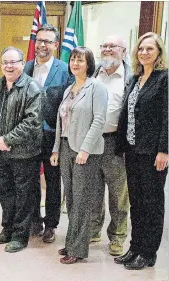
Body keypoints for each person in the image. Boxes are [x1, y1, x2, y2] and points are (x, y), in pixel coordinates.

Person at [0, 47, 43, 253]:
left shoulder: (32, 87)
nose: (8, 66)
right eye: (5, 62)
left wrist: (7, 139)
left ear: (22, 64)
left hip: (25, 152)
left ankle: (20, 235)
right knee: (5, 191)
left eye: (13, 62)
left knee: (24, 195)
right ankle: (7, 229)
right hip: (1, 151)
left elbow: (32, 121)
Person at [114, 32, 168, 270]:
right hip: (133, 151)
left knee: (152, 202)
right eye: (141, 49)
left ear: (159, 52)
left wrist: (164, 150)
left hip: (153, 153)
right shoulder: (136, 78)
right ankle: (135, 247)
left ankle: (148, 252)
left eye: (150, 49)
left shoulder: (164, 78)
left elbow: (167, 117)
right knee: (136, 202)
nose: (144, 52)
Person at [50, 47, 108, 264]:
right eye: (73, 59)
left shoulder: (96, 88)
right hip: (66, 147)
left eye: (80, 60)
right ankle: (72, 241)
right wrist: (56, 148)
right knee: (72, 199)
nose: (75, 63)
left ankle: (78, 248)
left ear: (89, 63)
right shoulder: (69, 89)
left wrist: (85, 149)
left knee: (82, 200)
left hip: (85, 151)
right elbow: (60, 122)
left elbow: (99, 120)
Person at [23, 23, 72, 242]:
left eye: (47, 41)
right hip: (29, 135)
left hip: (53, 135)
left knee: (53, 181)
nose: (42, 44)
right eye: (39, 40)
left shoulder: (65, 69)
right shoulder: (26, 67)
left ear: (55, 44)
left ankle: (51, 224)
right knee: (31, 178)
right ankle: (35, 219)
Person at [90, 35, 132, 256]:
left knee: (118, 194)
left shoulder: (131, 77)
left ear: (123, 51)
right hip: (91, 141)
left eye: (112, 46)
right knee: (94, 190)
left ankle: (117, 236)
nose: (106, 49)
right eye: (103, 46)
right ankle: (94, 230)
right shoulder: (94, 72)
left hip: (116, 142)